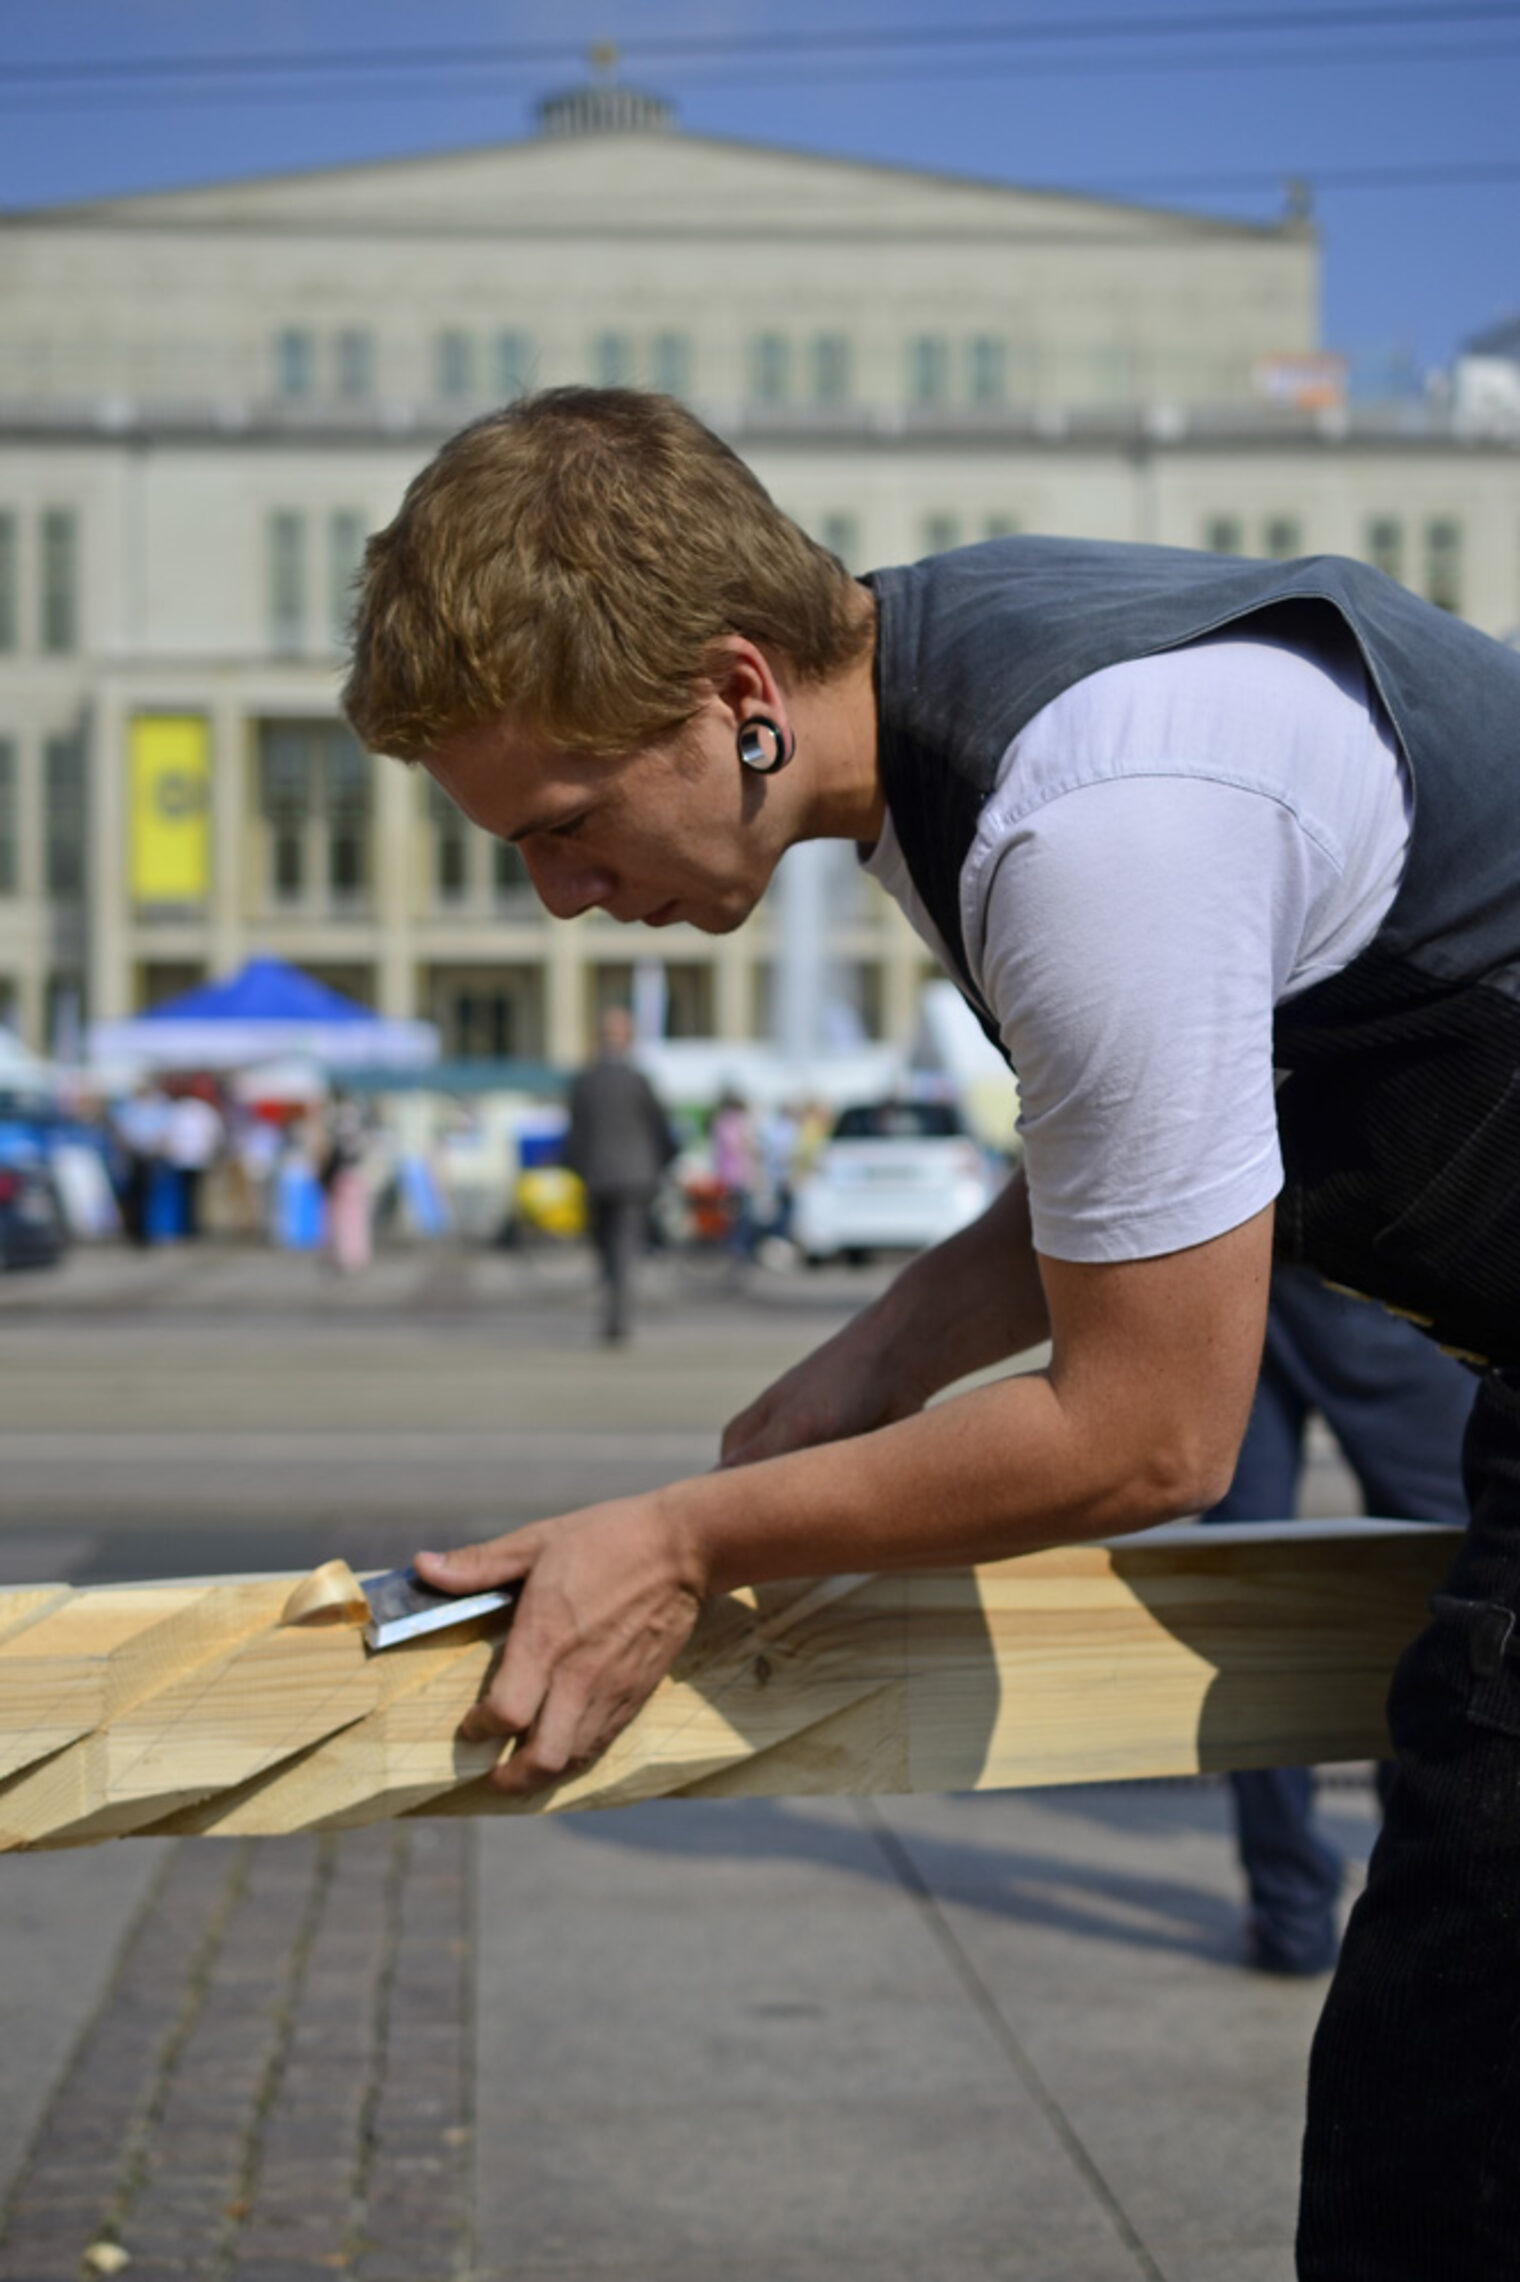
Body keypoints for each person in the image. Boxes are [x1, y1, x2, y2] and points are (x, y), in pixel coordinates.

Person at [344, 386, 1520, 2280]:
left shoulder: (1092, 812)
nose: (561, 897)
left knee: (1452, 2133)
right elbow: (1167, 1131)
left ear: (739, 689)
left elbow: (1149, 1435)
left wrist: (679, 1537)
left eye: (566, 825)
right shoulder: (942, 695)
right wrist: (889, 1349)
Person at [1206, 1264, 1475, 1977]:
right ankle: (1418, 1898)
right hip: (1381, 1261)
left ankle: (1290, 1912)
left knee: (1250, 1602)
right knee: (1441, 1586)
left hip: (1241, 1249)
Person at [562, 1005, 675, 1342]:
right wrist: (663, 1164)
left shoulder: (585, 1081)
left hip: (598, 1176)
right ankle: (619, 1313)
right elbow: (660, 1130)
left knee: (606, 1244)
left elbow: (574, 1135)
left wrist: (578, 1169)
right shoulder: (639, 1080)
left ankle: (614, 1307)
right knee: (625, 1246)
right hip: (636, 1176)